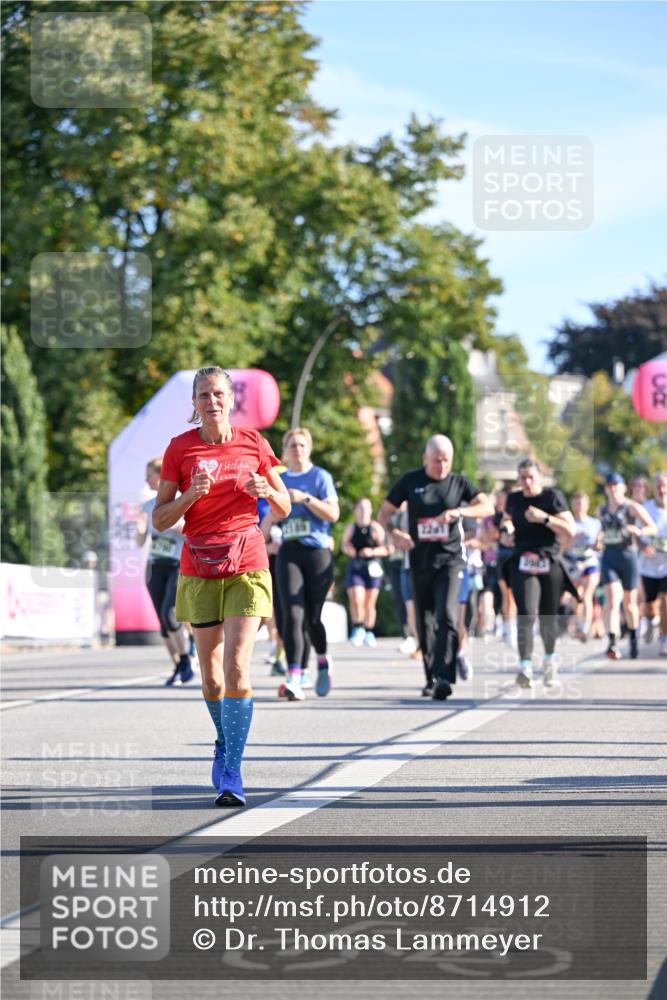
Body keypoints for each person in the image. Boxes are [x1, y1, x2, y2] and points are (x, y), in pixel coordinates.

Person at [153, 367, 290, 807]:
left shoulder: (254, 443)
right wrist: (191, 494)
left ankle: (232, 768)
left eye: (218, 394)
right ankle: (223, 739)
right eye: (203, 395)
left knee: (237, 667)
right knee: (211, 679)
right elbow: (160, 520)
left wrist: (266, 487)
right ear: (194, 403)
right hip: (199, 564)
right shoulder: (180, 448)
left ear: (231, 400)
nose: (211, 401)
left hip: (248, 560)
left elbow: (284, 506)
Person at [378, 435, 493, 700]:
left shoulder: (459, 482)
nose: (442, 466)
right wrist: (395, 534)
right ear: (425, 459)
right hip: (419, 561)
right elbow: (384, 513)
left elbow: (485, 507)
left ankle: (445, 676)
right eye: (436, 460)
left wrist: (461, 512)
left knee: (448, 617)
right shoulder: (411, 481)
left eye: (446, 461)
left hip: (451, 560)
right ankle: (431, 676)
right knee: (425, 621)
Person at [263, 427, 339, 701]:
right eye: (293, 445)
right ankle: (294, 675)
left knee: (312, 617)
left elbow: (333, 514)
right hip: (289, 552)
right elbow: (264, 525)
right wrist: (271, 519)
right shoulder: (278, 480)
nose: (297, 449)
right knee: (291, 613)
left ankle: (322, 660)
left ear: (309, 448)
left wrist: (305, 499)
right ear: (285, 450)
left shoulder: (320, 477)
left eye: (302, 445)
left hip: (317, 552)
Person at [503, 459, 577, 689]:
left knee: (548, 615)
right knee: (525, 612)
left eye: (530, 477)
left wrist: (545, 519)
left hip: (549, 561)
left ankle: (549, 662)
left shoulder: (552, 497)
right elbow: (505, 519)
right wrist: (506, 530)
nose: (526, 482)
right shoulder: (514, 499)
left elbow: (570, 529)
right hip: (523, 561)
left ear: (539, 478)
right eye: (522, 477)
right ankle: (524, 666)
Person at [135, 457, 193, 686]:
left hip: (177, 564)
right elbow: (140, 542)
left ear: (161, 477)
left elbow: (191, 533)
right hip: (155, 566)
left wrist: (178, 527)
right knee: (162, 620)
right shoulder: (147, 506)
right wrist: (139, 529)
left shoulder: (180, 502)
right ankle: (179, 664)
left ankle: (187, 659)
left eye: (149, 474)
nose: (145, 479)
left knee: (170, 613)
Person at [598, 473, 655, 660]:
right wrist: (598, 540)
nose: (613, 488)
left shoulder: (631, 507)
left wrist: (638, 531)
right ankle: (612, 642)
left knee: (630, 605)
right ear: (606, 488)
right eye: (610, 485)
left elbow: (651, 527)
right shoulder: (602, 509)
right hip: (609, 556)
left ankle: (632, 637)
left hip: (628, 556)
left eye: (617, 485)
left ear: (623, 487)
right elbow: (601, 531)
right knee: (612, 599)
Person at [342, 497, 391, 647]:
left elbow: (387, 549)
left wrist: (372, 551)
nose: (363, 512)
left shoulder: (376, 528)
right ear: (356, 510)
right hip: (356, 566)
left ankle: (369, 631)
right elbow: (344, 545)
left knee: (369, 603)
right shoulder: (351, 528)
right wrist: (349, 550)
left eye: (366, 508)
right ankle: (358, 628)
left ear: (370, 510)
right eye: (360, 508)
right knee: (356, 598)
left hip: (372, 568)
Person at [563, 492, 602, 642]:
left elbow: (600, 544)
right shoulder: (569, 523)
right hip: (573, 563)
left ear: (586, 505)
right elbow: (563, 546)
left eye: (581, 503)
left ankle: (586, 627)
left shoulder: (595, 523)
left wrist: (596, 545)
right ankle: (580, 624)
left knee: (587, 594)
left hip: (590, 562)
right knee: (576, 597)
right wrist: (574, 539)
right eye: (576, 503)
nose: (579, 507)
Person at [638, 471, 667, 656]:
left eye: (664, 486)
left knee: (665, 601)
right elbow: (636, 534)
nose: (662, 490)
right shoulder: (645, 508)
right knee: (650, 605)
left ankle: (664, 638)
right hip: (649, 566)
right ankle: (649, 620)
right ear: (653, 488)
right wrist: (642, 546)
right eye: (658, 486)